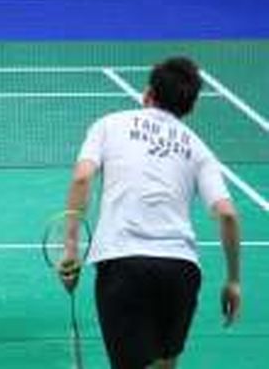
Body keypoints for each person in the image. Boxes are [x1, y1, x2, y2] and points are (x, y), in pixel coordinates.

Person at [59, 57, 241, 369]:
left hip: (123, 264)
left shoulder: (109, 125)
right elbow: (227, 215)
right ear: (191, 108)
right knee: (165, 364)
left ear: (147, 94)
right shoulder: (199, 149)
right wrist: (233, 280)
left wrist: (71, 250)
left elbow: (82, 177)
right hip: (181, 270)